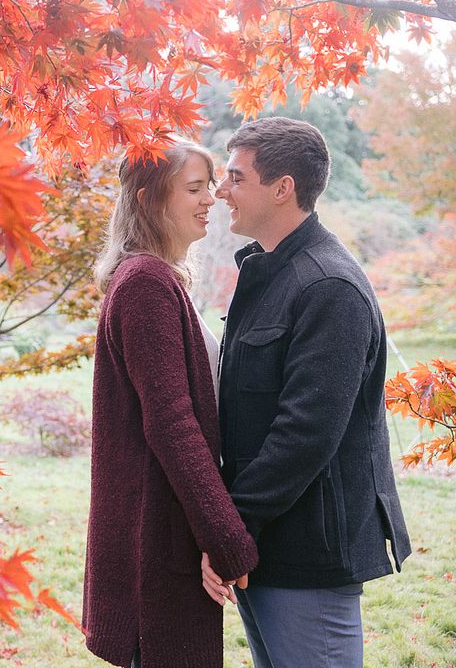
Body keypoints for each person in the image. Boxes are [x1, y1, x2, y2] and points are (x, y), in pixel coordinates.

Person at [203, 117, 411, 668]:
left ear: (282, 187)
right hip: (267, 545)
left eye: (235, 177)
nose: (222, 190)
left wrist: (235, 526)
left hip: (308, 553)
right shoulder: (272, 273)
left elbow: (305, 432)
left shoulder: (327, 287)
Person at [83, 140, 259, 668]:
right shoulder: (144, 285)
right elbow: (172, 423)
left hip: (166, 532)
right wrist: (227, 538)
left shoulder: (158, 279)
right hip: (152, 538)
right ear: (149, 198)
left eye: (209, 185)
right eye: (193, 188)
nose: (210, 198)